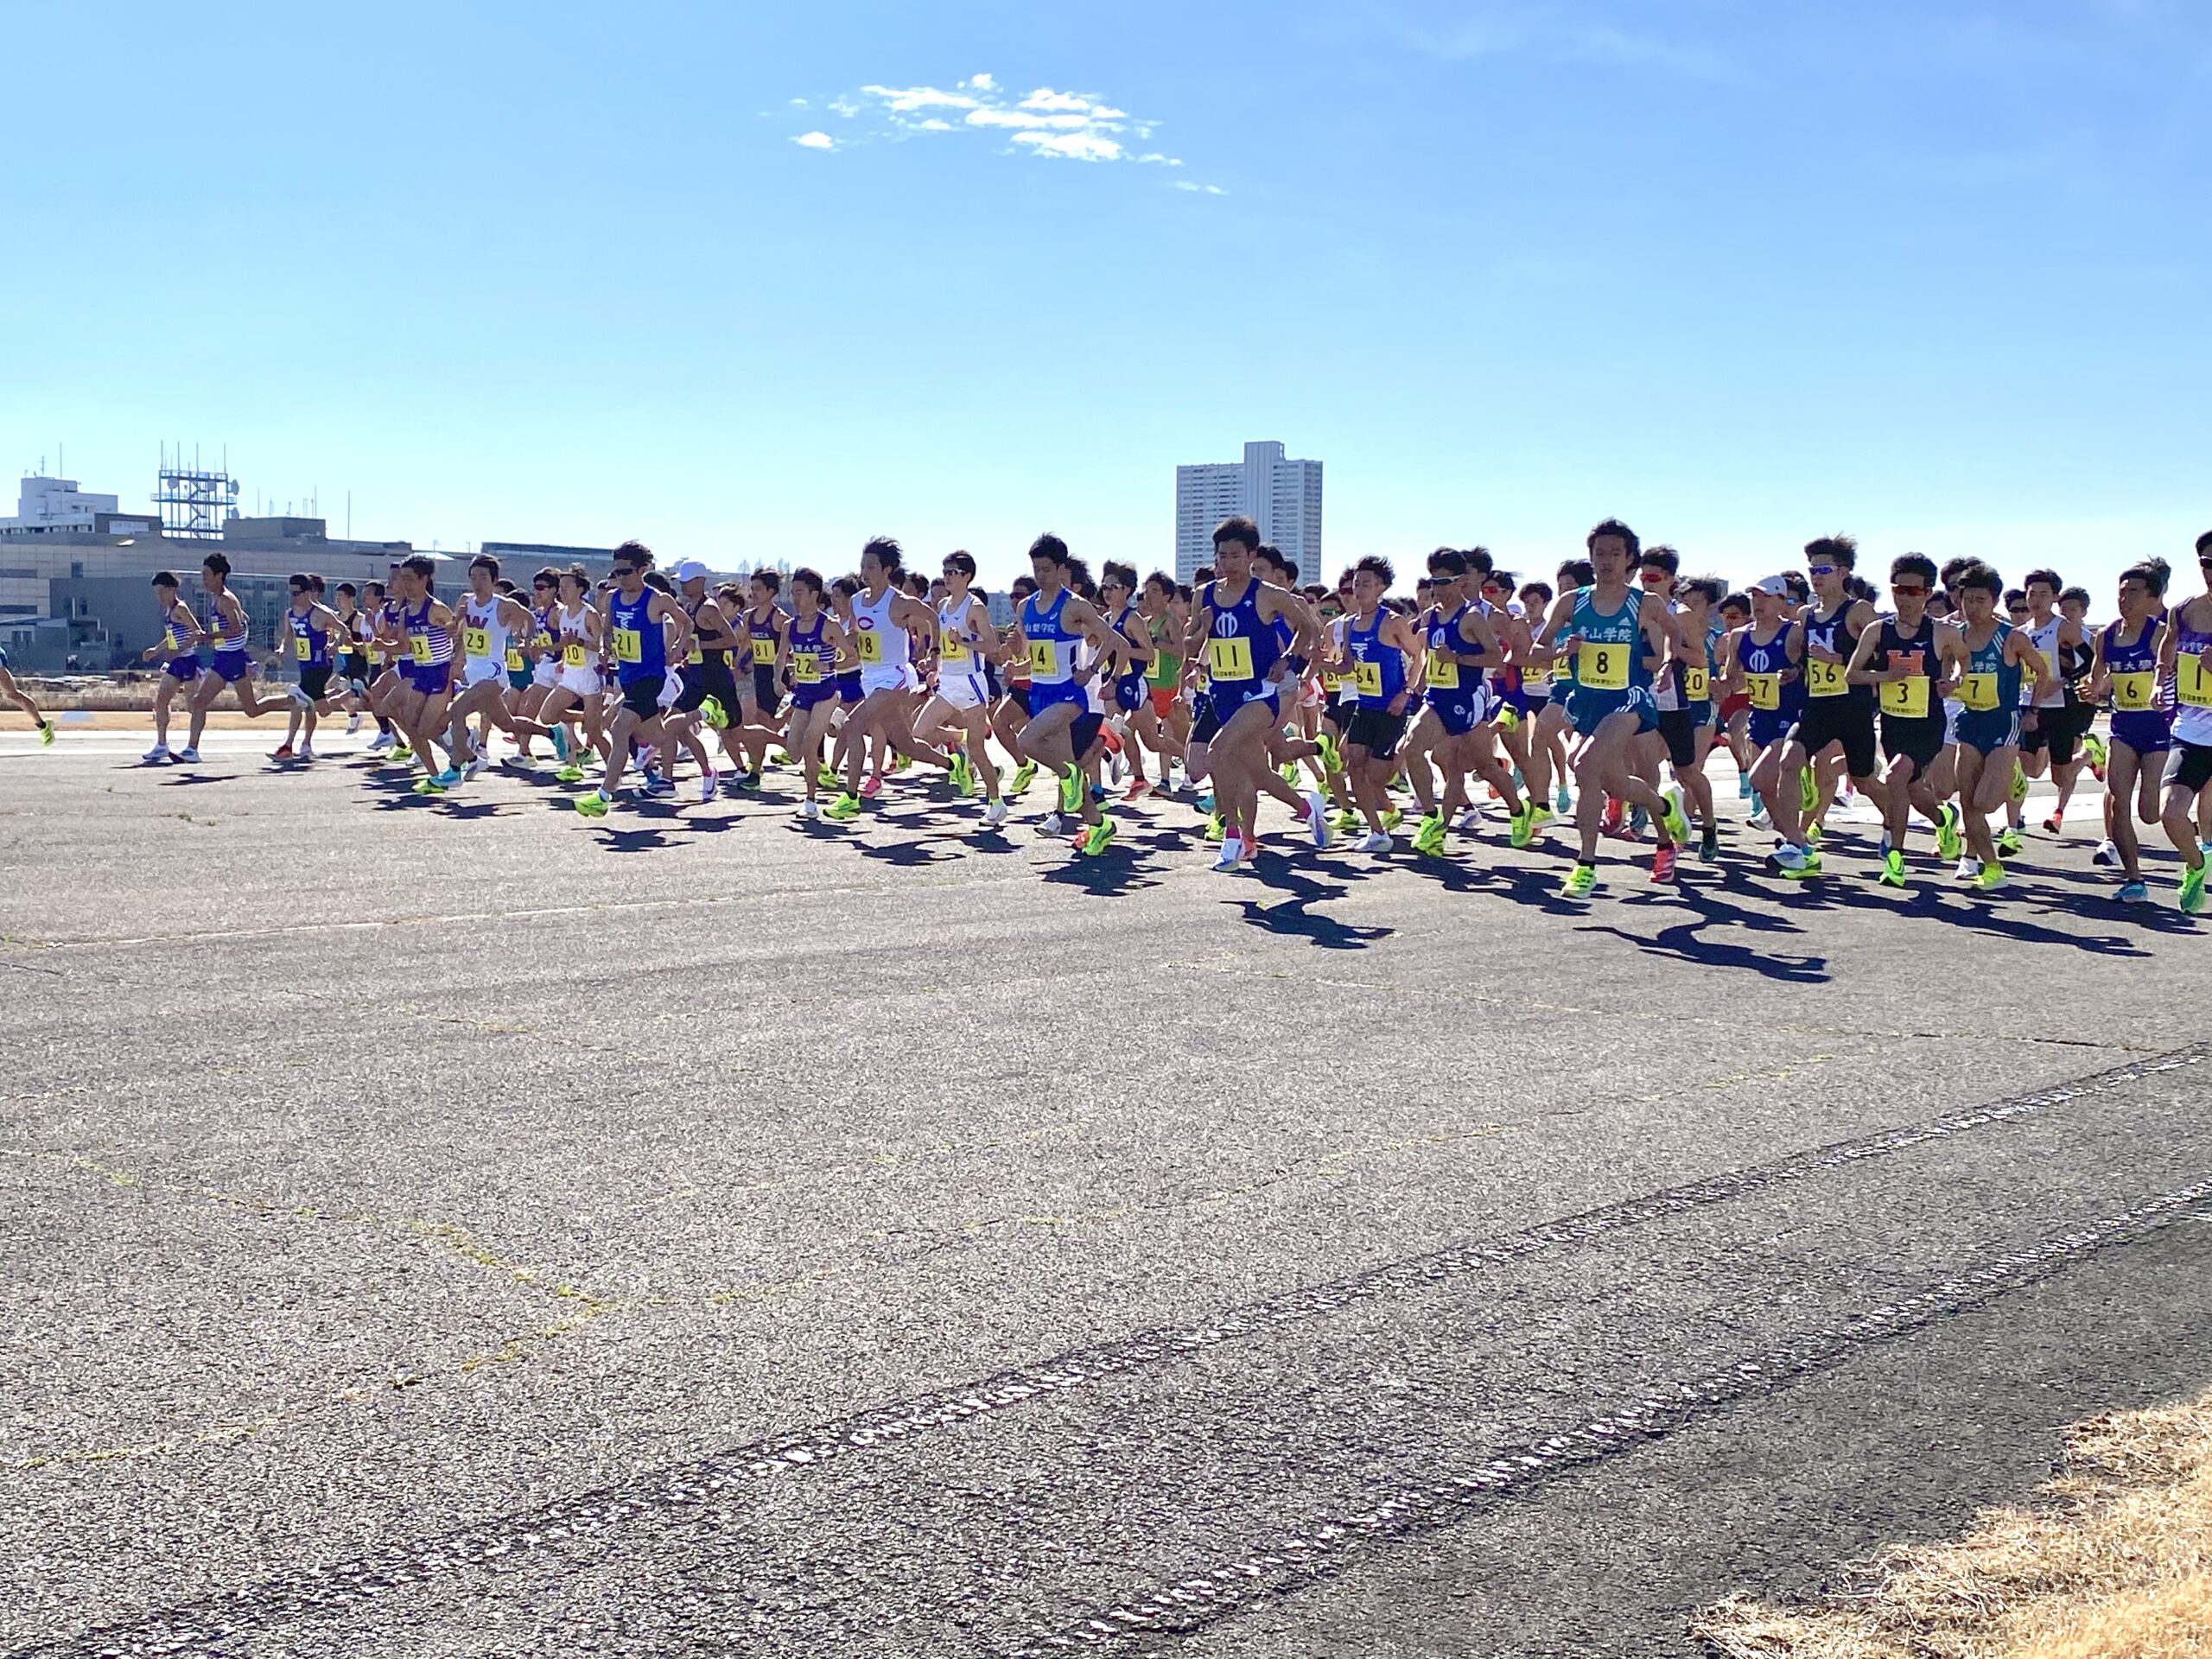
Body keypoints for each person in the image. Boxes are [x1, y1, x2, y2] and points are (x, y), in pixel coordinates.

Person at [1535, 520, 1688, 893]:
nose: (1605, 561)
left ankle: (1585, 864)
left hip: (1629, 698)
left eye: (1614, 554)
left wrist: (1668, 663)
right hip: (1587, 700)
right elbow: (1538, 650)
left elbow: (1675, 633)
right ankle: (1665, 810)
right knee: (1613, 782)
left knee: (1584, 765)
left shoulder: (1644, 603)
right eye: (1599, 553)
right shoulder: (1572, 602)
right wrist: (1560, 651)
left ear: (1629, 560)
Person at [1187, 518, 1322, 871]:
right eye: (1222, 556)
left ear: (1250, 555)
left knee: (1218, 753)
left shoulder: (1268, 594)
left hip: (1262, 693)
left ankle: (1231, 837)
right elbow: (1189, 644)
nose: (1228, 562)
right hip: (1223, 693)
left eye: (1235, 555)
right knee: (1257, 774)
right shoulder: (1203, 595)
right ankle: (1308, 809)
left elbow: (1310, 628)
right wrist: (1202, 629)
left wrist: (1287, 659)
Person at [1846, 552, 1966, 888]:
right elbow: (1853, 675)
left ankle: (1895, 857)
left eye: (1913, 591)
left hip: (1927, 724)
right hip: (1894, 723)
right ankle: (1944, 819)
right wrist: (1885, 675)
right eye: (1899, 590)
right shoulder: (1877, 631)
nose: (1904, 598)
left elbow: (1963, 659)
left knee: (1896, 776)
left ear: (1928, 593)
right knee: (1912, 789)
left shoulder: (1941, 631)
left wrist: (1954, 680)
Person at [824, 538, 955, 819]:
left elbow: (934, 618)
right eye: (862, 566)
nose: (865, 571)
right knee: (906, 745)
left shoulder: (899, 602)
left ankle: (850, 797)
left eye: (871, 566)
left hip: (896, 677)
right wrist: (839, 645)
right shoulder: (858, 601)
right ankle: (954, 763)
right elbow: (857, 637)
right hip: (870, 679)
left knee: (852, 725)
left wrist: (933, 653)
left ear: (887, 569)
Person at [1009, 533, 1123, 855]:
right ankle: (1101, 826)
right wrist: (1016, 668)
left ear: (1061, 569)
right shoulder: (1025, 608)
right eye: (1036, 569)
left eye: (1046, 569)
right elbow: (1038, 657)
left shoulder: (1074, 606)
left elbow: (1110, 640)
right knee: (1070, 779)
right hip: (1039, 693)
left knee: (1026, 742)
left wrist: (1092, 669)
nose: (1040, 575)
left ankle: (1071, 773)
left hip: (1069, 696)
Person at [1948, 562, 2052, 889]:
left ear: (1993, 602)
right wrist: (1947, 686)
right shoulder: (1956, 637)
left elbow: (2042, 672)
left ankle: (2012, 778)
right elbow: (1952, 676)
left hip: (2004, 724)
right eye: (1968, 600)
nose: (1973, 607)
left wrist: (2032, 709)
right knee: (1967, 802)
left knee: (1985, 802)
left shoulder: (2012, 637)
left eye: (1981, 600)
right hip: (1969, 722)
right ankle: (1992, 867)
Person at [574, 543, 697, 817]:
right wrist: (606, 651)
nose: (621, 577)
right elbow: (608, 630)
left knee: (619, 729)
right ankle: (693, 731)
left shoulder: (656, 599)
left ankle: (604, 794)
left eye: (627, 572)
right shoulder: (614, 598)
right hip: (627, 676)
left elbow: (686, 622)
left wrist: (678, 647)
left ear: (643, 570)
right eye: (616, 572)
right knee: (657, 735)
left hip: (650, 678)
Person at [1787, 536, 1890, 855]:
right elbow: (1805, 659)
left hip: (1853, 707)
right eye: (1812, 569)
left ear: (1843, 571)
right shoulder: (1806, 614)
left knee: (1864, 780)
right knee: (1789, 761)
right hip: (1817, 705)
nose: (1816, 576)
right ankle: (1793, 842)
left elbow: (1883, 657)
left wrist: (1839, 659)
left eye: (1824, 569)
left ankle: (1893, 822)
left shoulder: (1858, 610)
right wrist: (1794, 669)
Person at [2085, 560, 2171, 902]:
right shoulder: (2106, 635)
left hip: (2158, 728)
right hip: (2122, 729)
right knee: (2120, 802)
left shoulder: (2160, 634)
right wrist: (2094, 690)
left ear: (2151, 597)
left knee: (2151, 812)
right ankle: (2134, 879)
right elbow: (2098, 680)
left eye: (2134, 591)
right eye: (2121, 592)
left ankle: (2195, 834)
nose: (2125, 598)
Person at [911, 550, 1010, 828]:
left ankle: (995, 802)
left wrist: (965, 640)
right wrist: (935, 663)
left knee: (978, 750)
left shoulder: (975, 607)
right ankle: (960, 738)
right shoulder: (943, 605)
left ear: (967, 576)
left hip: (971, 682)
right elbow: (944, 644)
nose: (947, 577)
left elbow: (993, 647)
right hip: (948, 682)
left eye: (952, 572)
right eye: (944, 571)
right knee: (920, 733)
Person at [1723, 575, 1813, 875]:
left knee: (1760, 778)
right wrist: (1721, 685)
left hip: (1790, 716)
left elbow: (1813, 667)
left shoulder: (1794, 633)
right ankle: (1797, 843)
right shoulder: (1739, 636)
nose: (1757, 603)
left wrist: (1795, 671)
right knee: (1765, 788)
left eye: (1764, 597)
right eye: (1754, 597)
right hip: (1759, 715)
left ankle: (1794, 843)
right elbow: (1733, 678)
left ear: (1781, 601)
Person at [1332, 556, 1422, 851]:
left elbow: (1419, 656)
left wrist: (1406, 692)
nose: (1359, 590)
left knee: (1375, 775)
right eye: (1356, 584)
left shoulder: (1393, 621)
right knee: (1353, 764)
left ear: (1381, 587)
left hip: (1391, 708)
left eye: (1367, 584)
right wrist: (1325, 665)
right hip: (1364, 704)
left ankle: (1392, 798)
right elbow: (1347, 665)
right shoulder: (1349, 625)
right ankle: (1377, 831)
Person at [182, 551, 292, 755]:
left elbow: (237, 628)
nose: (203, 579)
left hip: (232, 659)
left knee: (246, 709)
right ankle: (191, 750)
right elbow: (242, 622)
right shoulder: (219, 599)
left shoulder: (225, 599)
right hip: (224, 658)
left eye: (206, 575)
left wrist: (209, 636)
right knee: (245, 709)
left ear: (219, 575)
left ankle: (292, 699)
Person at [2153, 531, 2212, 914]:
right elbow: (2169, 643)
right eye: (2208, 564)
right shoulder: (2185, 609)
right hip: (2190, 730)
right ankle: (2196, 865)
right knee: (2170, 814)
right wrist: (2161, 678)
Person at [781, 568, 852, 820]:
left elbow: (853, 657)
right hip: (803, 692)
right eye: (792, 593)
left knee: (811, 742)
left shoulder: (829, 626)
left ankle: (810, 800)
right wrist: (778, 680)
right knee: (793, 752)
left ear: (814, 594)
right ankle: (836, 723)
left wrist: (829, 665)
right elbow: (781, 657)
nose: (795, 599)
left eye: (799, 593)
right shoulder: (790, 626)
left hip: (826, 692)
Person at [272, 574, 357, 761]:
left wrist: (334, 645)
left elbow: (344, 629)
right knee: (319, 709)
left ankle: (287, 746)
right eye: (291, 593)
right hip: (305, 665)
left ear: (308, 593)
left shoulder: (321, 613)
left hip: (320, 666)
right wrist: (282, 648)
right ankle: (345, 695)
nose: (293, 597)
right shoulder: (290, 614)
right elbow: (289, 636)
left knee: (297, 701)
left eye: (297, 593)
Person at [138, 569, 204, 762]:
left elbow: (197, 632)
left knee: (193, 705)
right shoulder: (168, 611)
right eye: (156, 593)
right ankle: (161, 745)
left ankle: (193, 748)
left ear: (171, 590)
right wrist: (155, 650)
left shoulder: (180, 609)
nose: (158, 597)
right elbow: (170, 638)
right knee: (161, 701)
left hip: (189, 660)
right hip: (176, 663)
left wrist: (180, 649)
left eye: (161, 592)